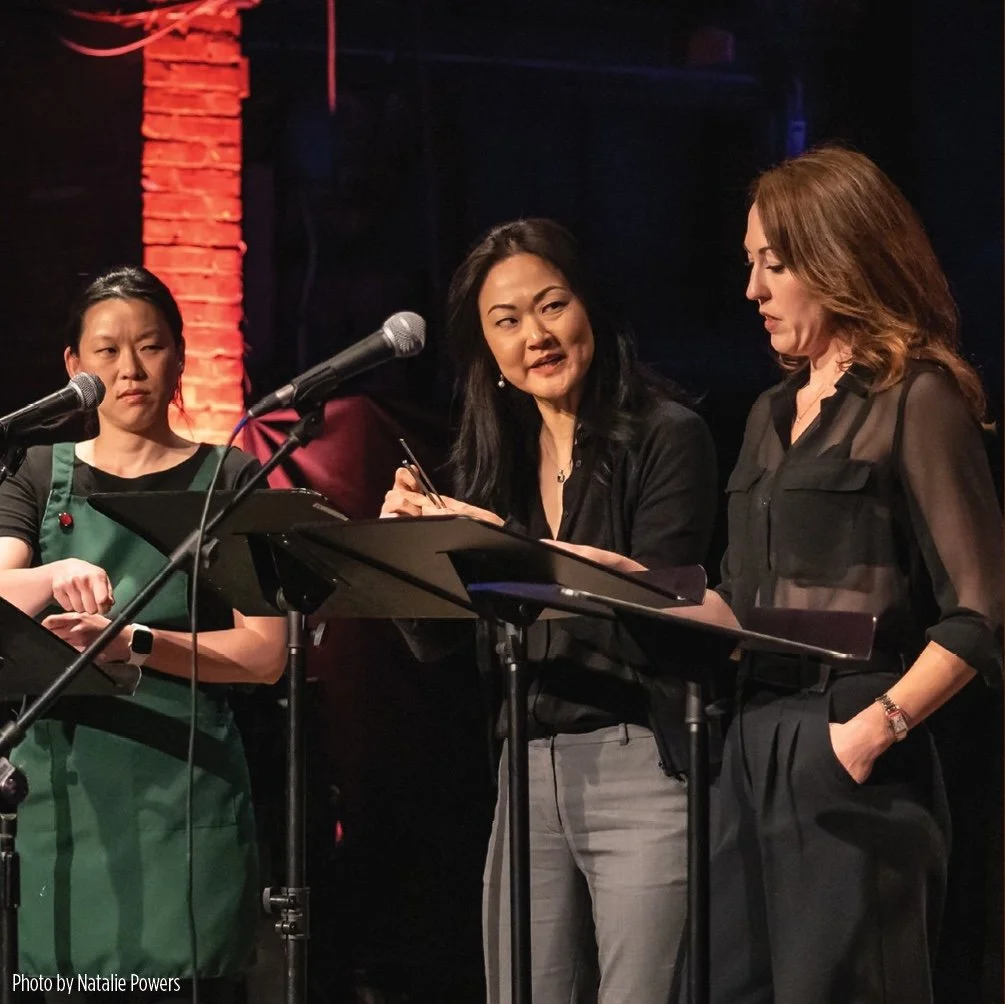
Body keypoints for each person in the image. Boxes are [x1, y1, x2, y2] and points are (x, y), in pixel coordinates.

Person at [684, 146, 1002, 1003]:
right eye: (749, 263)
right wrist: (594, 572)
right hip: (747, 745)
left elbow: (980, 612)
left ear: (836, 260)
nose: (752, 290)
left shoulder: (917, 397)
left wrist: (870, 733)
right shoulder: (767, 413)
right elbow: (736, 600)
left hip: (847, 739)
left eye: (773, 265)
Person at [380, 218, 717, 1003]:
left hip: (639, 760)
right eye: (506, 321)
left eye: (551, 305)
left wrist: (501, 552)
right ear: (487, 353)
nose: (535, 334)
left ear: (588, 308)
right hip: (524, 768)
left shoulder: (669, 437)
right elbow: (434, 645)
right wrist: (408, 553)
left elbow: (655, 607)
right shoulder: (489, 461)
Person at [0, 266, 287, 1002]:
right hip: (61, 799)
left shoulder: (229, 478)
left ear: (181, 356)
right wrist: (54, 570)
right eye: (106, 352)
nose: (130, 370)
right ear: (74, 368)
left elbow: (264, 655)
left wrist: (134, 643)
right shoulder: (35, 472)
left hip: (183, 798)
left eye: (151, 347)